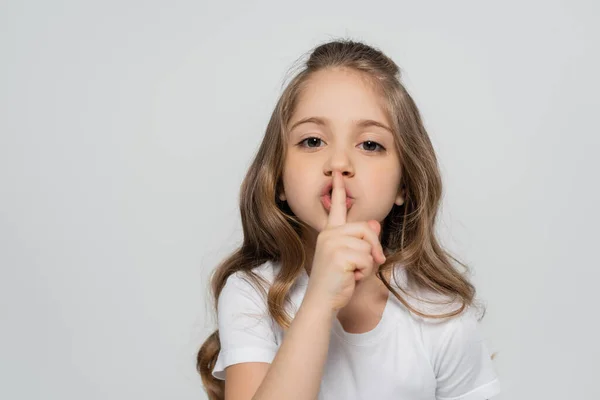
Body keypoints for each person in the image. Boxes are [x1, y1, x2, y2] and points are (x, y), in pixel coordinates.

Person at [197, 39, 501, 400]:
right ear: (278, 177)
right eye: (312, 141)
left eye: (370, 144)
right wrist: (319, 301)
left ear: (404, 184)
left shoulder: (439, 315)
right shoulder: (252, 295)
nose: (338, 163)